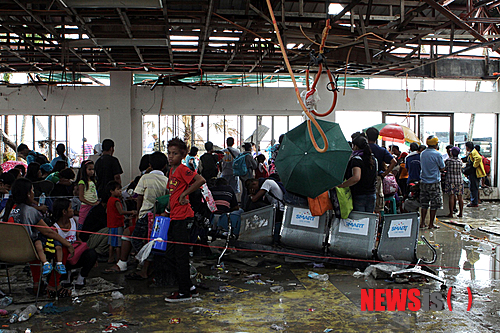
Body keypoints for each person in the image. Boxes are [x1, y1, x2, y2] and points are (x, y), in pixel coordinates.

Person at [3, 178, 74, 298]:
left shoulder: (7, 210)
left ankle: (37, 284)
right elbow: (49, 232)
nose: (34, 193)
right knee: (59, 247)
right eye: (32, 190)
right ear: (28, 194)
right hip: (27, 252)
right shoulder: (30, 211)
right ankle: (54, 285)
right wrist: (68, 244)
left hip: (7, 252)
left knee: (34, 242)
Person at [109, 151, 169, 275]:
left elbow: (139, 196)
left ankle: (143, 258)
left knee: (136, 239)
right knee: (153, 241)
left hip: (145, 215)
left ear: (150, 165)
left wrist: (138, 211)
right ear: (164, 166)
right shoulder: (166, 180)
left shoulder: (145, 178)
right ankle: (147, 260)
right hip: (159, 218)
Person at [164, 137, 206, 302]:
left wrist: (184, 194)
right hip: (174, 216)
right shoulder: (171, 171)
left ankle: (184, 292)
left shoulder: (182, 169)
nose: (170, 156)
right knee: (171, 255)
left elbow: (200, 180)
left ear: (182, 155)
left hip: (183, 216)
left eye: (174, 153)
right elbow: (171, 193)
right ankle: (189, 286)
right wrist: (167, 210)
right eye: (169, 153)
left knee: (180, 256)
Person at [52, 198, 98, 289]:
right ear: (64, 212)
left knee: (92, 253)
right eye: (70, 208)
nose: (72, 210)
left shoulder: (74, 221)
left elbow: (77, 239)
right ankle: (66, 275)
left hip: (74, 254)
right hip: (62, 258)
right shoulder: (54, 227)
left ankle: (81, 277)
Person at [338, 135, 377, 213]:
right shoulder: (373, 159)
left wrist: (343, 185)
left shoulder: (357, 159)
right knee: (368, 220)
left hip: (359, 194)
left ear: (356, 146)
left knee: (360, 220)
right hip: (372, 194)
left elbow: (356, 177)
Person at [365, 127, 397, 214]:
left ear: (366, 136)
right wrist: (385, 173)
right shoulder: (381, 150)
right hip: (377, 178)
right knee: (377, 207)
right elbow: (393, 161)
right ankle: (377, 226)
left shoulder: (363, 149)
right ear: (377, 137)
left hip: (363, 178)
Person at [245, 176, 285, 244]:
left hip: (279, 209)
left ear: (254, 183)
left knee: (253, 204)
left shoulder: (267, 183)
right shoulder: (266, 182)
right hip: (276, 208)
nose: (254, 190)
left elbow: (255, 199)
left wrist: (252, 195)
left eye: (253, 188)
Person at [106, 181, 136, 264]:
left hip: (111, 224)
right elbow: (121, 212)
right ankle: (119, 259)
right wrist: (132, 212)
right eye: (118, 189)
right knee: (119, 244)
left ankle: (110, 258)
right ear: (111, 191)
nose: (120, 191)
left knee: (111, 243)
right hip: (118, 224)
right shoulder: (116, 201)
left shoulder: (109, 200)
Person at [419, 136, 445, 229]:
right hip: (434, 182)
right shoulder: (437, 154)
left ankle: (422, 223)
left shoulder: (422, 153)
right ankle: (431, 224)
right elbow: (442, 167)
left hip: (424, 182)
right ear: (436, 144)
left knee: (424, 204)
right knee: (434, 204)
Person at [77, 160, 99, 230]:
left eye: (93, 169)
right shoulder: (82, 182)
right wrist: (91, 203)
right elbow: (81, 197)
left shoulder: (93, 181)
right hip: (86, 206)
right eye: (89, 169)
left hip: (94, 205)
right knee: (82, 222)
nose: (92, 171)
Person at [464, 141, 486, 208]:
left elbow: (478, 158)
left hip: (475, 173)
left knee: (474, 187)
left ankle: (474, 202)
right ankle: (473, 201)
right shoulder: (472, 152)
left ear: (468, 147)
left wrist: (474, 166)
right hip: (474, 173)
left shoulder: (474, 152)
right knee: (473, 187)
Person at [444, 147, 464, 218]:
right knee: (460, 197)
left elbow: (444, 168)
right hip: (459, 180)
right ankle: (461, 213)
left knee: (451, 196)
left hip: (450, 180)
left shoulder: (448, 161)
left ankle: (451, 213)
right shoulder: (460, 161)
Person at [240, 142, 258, 209]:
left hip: (242, 175)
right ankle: (246, 206)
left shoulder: (242, 155)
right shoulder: (249, 156)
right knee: (247, 191)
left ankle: (242, 205)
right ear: (250, 148)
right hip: (248, 175)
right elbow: (255, 166)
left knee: (244, 191)